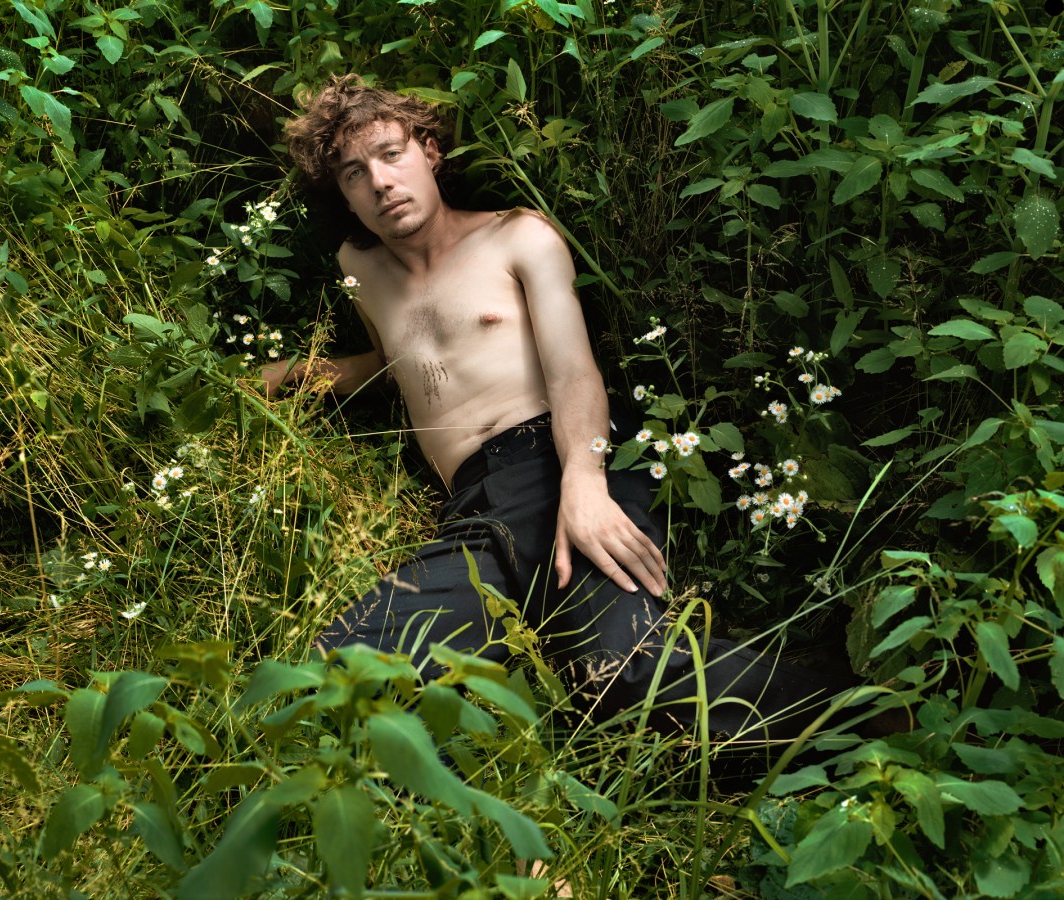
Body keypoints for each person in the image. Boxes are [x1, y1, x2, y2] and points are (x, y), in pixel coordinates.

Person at [262, 75, 859, 742]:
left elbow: (574, 369)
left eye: (391, 153)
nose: (378, 181)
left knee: (618, 673)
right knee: (340, 668)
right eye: (353, 172)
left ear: (429, 150)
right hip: (471, 507)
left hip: (556, 458)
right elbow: (391, 362)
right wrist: (284, 374)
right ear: (341, 192)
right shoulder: (360, 268)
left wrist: (583, 480)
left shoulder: (517, 237)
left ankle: (857, 708)